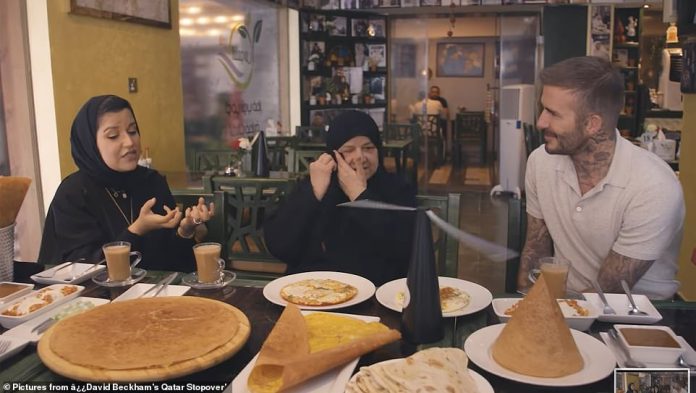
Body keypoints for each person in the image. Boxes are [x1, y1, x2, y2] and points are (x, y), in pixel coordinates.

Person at [517, 56, 684, 300]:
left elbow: (606, 294)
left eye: (553, 113)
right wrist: (522, 310)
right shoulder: (540, 162)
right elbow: (535, 249)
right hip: (566, 304)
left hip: (637, 318)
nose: (541, 122)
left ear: (592, 124)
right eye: (543, 109)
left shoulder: (654, 187)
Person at [38, 95, 214, 272]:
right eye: (113, 136)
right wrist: (137, 230)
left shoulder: (151, 181)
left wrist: (185, 231)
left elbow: (172, 264)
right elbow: (82, 270)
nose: (130, 142)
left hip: (157, 295)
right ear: (90, 144)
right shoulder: (73, 193)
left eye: (132, 131)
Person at [264, 111, 416, 285]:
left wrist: (359, 196)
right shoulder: (318, 183)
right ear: (333, 154)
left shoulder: (397, 188)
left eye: (368, 148)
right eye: (348, 150)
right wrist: (313, 194)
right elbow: (279, 245)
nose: (360, 156)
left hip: (374, 295)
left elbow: (405, 249)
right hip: (311, 292)